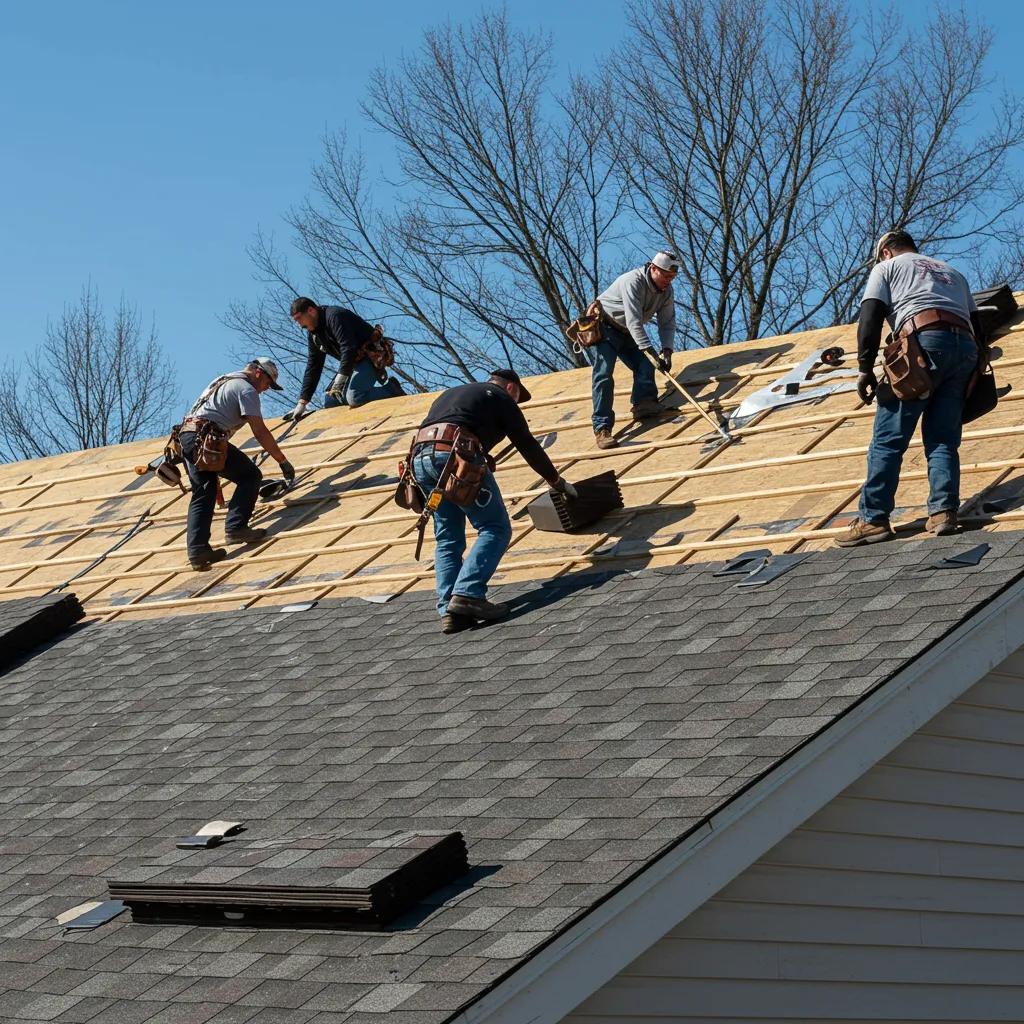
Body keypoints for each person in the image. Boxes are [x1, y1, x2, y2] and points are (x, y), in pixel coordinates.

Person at [836, 230, 984, 547]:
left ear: (886, 252)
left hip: (922, 343)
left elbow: (870, 315)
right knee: (943, 438)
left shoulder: (887, 268)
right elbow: (978, 324)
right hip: (965, 349)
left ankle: (873, 519)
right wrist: (975, 367)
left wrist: (864, 368)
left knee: (888, 438)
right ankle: (943, 513)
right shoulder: (952, 273)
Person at [411, 368, 577, 634]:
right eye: (518, 397)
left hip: (420, 460)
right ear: (511, 388)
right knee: (495, 528)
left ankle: (449, 610)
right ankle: (468, 594)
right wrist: (556, 481)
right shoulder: (500, 397)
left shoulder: (453, 395)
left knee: (448, 537)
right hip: (456, 456)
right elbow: (527, 444)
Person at [180, 358, 295, 570]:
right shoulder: (246, 389)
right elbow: (259, 431)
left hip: (187, 436)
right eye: (267, 383)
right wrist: (282, 460)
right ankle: (236, 528)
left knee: (203, 492)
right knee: (250, 476)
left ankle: (198, 551)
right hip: (206, 438)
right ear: (259, 373)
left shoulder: (225, 380)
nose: (266, 389)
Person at [590, 251, 679, 449]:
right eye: (665, 275)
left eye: (672, 277)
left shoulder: (666, 291)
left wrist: (667, 350)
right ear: (653, 269)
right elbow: (634, 321)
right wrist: (649, 349)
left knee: (645, 366)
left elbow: (667, 323)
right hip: (605, 327)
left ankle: (644, 403)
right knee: (603, 374)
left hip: (627, 332)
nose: (668, 281)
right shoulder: (633, 281)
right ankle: (602, 428)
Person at [284, 297, 403, 418]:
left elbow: (348, 348)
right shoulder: (314, 335)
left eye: (299, 318)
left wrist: (341, 378)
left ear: (311, 310)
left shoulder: (335, 316)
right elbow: (314, 366)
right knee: (331, 402)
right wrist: (303, 402)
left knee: (355, 397)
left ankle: (391, 389)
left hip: (372, 356)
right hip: (353, 363)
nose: (299, 324)